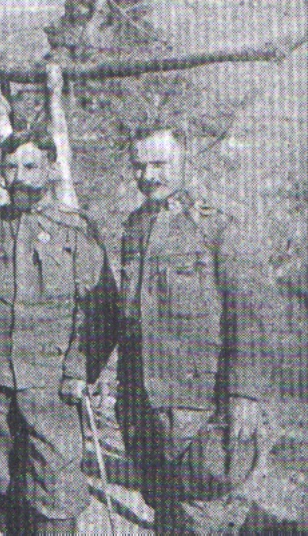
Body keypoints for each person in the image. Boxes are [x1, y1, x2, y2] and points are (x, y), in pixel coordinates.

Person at [101, 127, 271, 533]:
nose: (148, 176)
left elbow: (250, 316)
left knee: (204, 510)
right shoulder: (135, 227)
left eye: (160, 164)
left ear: (184, 160)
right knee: (163, 506)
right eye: (139, 166)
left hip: (199, 403)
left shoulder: (220, 225)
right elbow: (130, 319)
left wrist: (245, 393)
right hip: (142, 402)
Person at [0, 127, 116, 535]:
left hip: (52, 380)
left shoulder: (75, 229)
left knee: (56, 482)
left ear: (50, 169)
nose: (19, 178)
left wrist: (79, 370)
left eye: (30, 167)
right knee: (3, 480)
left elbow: (103, 309)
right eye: (10, 168)